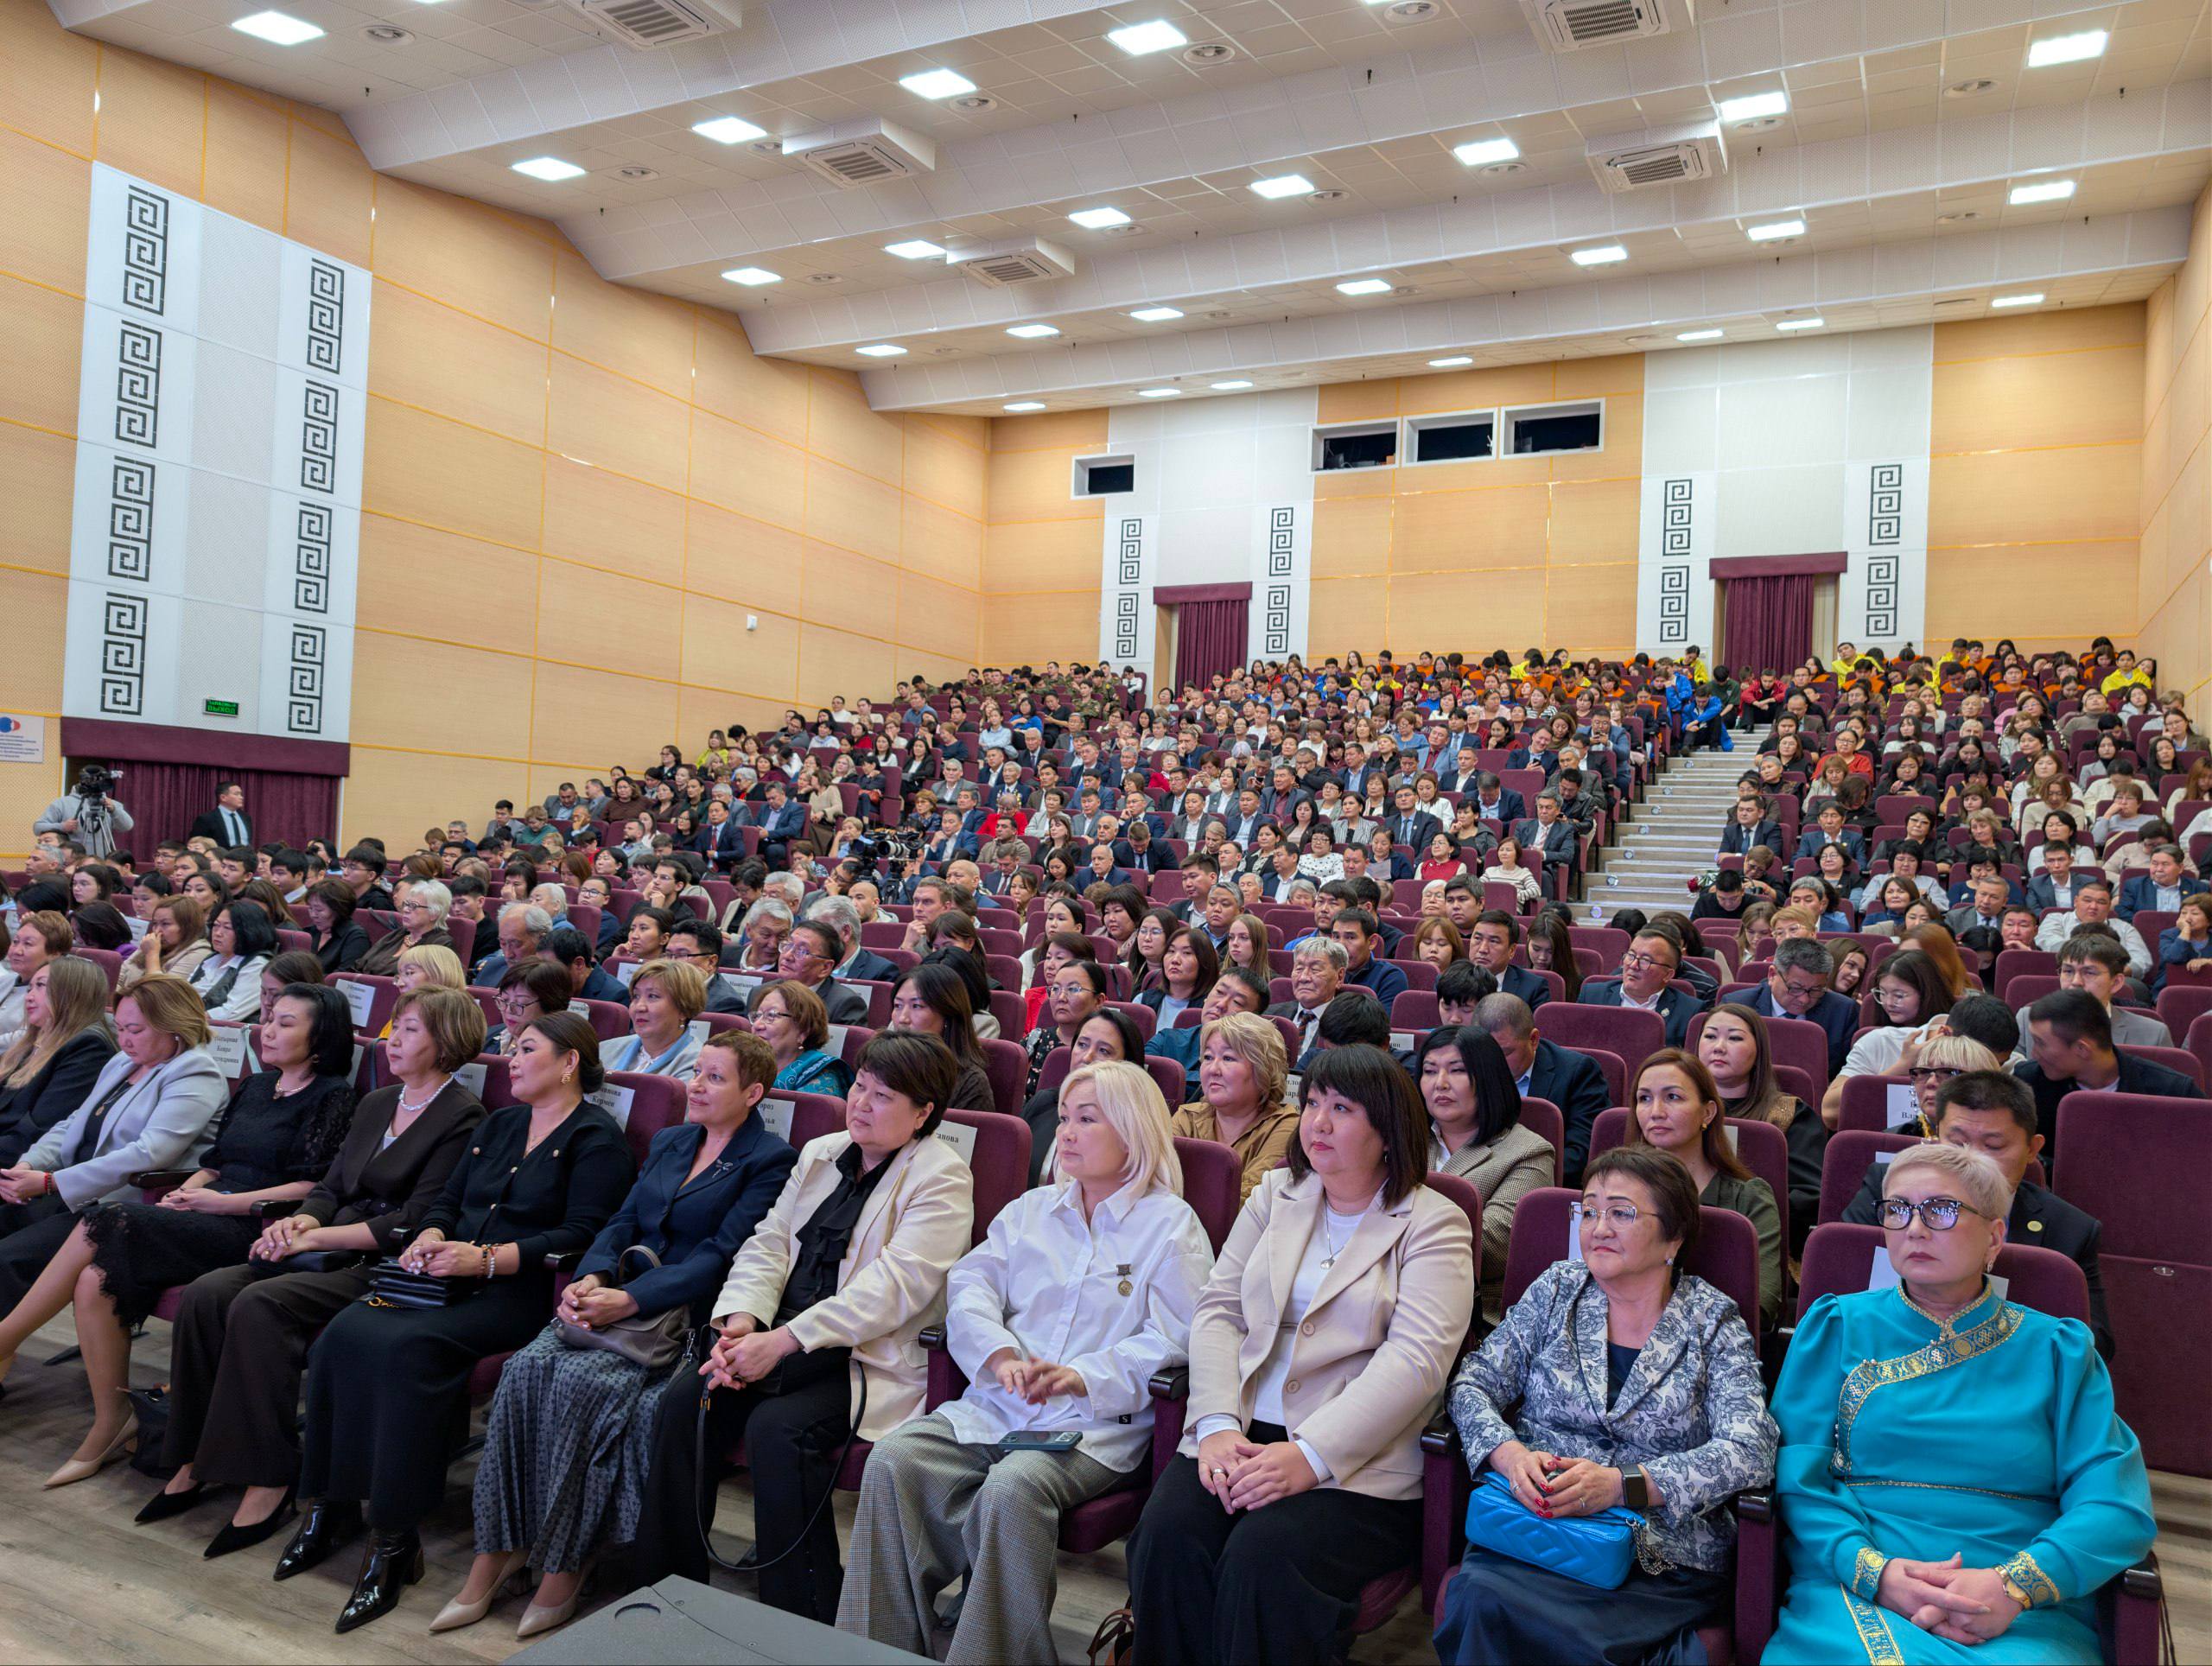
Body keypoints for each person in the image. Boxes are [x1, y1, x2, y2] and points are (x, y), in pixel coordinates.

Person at [841, 1060, 1215, 1664]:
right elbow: (969, 1287)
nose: (1065, 1132)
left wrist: (1082, 1375)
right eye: (1063, 1118)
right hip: (999, 1405)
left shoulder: (1171, 1228)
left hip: (1092, 1429)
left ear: (1134, 1130)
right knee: (895, 1458)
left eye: (1086, 1120)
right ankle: (877, 1650)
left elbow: (1177, 1340)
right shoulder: (1030, 1211)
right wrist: (998, 1352)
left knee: (1012, 1489)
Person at [283, 1012, 635, 1632]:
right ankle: (330, 1505)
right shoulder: (501, 1124)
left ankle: (395, 1542)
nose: (511, 1059)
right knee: (343, 1334)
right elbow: (447, 1199)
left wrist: (488, 1259)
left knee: (407, 1351)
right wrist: (432, 1235)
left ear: (569, 1062)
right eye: (510, 1048)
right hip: (442, 1276)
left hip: (516, 1293)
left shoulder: (595, 1137)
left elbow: (583, 1233)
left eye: (526, 1049)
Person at [1127, 1044, 1475, 1665]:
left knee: (1263, 1558)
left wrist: (1311, 1457)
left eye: (1341, 1108)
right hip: (1237, 1427)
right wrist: (1212, 1427)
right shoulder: (1275, 1196)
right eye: (1311, 1102)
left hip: (1354, 1459)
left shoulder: (1433, 1222)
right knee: (1166, 1537)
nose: (1317, 1122)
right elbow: (1218, 1311)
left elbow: (1417, 1363)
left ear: (1389, 1131)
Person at [444, 1031, 799, 1639]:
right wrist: (591, 1278)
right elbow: (622, 1219)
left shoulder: (769, 1159)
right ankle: (499, 1549)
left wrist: (630, 1298)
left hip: (679, 1318)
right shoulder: (671, 1140)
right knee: (525, 1371)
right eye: (699, 1074)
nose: (698, 1086)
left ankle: (566, 1561)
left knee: (584, 1387)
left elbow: (721, 1254)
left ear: (754, 1092)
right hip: (614, 1300)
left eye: (716, 1078)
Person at [1762, 1141, 2156, 1666]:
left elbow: (2116, 1504)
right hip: (1859, 1578)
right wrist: (1873, 1572)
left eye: (1941, 1210)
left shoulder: (2059, 1349)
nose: (1914, 1229)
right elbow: (1798, 1476)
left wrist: (2014, 1585)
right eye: (1897, 1210)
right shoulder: (1835, 1325)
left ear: (1995, 1237)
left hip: (2022, 1602)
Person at [631, 1031, 976, 1619]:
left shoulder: (941, 1176)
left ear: (923, 1113)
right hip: (772, 1338)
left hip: (859, 1357)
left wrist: (782, 1341)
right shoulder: (821, 1152)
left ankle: (804, 1613)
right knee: (688, 1401)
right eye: (860, 1087)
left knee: (778, 1429)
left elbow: (894, 1288)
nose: (861, 1103)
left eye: (883, 1096)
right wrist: (740, 1325)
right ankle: (668, 1587)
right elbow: (767, 1244)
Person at [142, 989, 487, 1551]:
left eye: (410, 1032)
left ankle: (271, 1477)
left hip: (384, 1262)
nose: (392, 1041)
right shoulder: (378, 1102)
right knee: (208, 1293)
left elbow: (414, 1217)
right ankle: (195, 1457)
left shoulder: (463, 1115)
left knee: (259, 1304)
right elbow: (328, 1187)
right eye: (394, 1030)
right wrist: (296, 1223)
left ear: (445, 1042)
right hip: (325, 1242)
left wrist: (312, 1232)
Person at [0, 984, 357, 1489]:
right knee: (93, 1280)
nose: (268, 1029)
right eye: (270, 1018)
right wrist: (186, 1192)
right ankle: (111, 1420)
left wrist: (218, 1202)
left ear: (320, 1037)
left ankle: (5, 1337)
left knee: (103, 1220)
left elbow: (311, 1184)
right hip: (204, 1211)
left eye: (284, 1023)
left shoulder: (333, 1095)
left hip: (255, 1224)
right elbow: (213, 1164)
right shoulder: (257, 1086)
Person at [1433, 1146, 1777, 1666]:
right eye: (1589, 1211)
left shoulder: (1711, 1319)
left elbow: (1751, 1448)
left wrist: (1622, 1485)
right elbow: (1474, 1383)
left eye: (1621, 1212)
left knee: (1565, 1636)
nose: (1598, 1228)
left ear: (1675, 1236)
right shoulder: (1557, 1290)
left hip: (1658, 1552)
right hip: (1537, 1527)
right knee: (1481, 1598)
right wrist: (1509, 1455)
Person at [1838, 1068, 2113, 1358]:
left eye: (1993, 1146)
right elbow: (1841, 1281)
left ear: (2033, 1149)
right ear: (1934, 1135)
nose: (1972, 1159)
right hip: (1876, 1353)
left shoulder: (2068, 1228)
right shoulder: (1889, 1191)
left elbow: (2095, 1345)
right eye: (1956, 1143)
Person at [0, 975, 229, 1316]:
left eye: (135, 1030)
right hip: (71, 1193)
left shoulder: (195, 1072)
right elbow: (73, 1122)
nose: (124, 1040)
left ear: (174, 1026)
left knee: (7, 1259)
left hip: (118, 1204)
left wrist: (52, 1182)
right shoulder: (124, 1062)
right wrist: (30, 1164)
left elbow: (150, 1153)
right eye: (120, 1028)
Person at [1624, 1051, 1782, 1328]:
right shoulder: (1616, 1192)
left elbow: (1762, 1302)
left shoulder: (1749, 1197)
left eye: (1673, 1097)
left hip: (1711, 1345)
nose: (1655, 1112)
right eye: (1644, 1098)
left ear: (1707, 1112)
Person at [1414, 1026, 1552, 1322]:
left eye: (1458, 1070)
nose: (1440, 1083)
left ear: (1488, 1078)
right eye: (1429, 1070)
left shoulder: (1528, 1151)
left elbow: (1490, 1250)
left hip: (1466, 1311)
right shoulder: (1402, 1138)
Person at [1697, 1002, 1826, 1259]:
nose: (1718, 1047)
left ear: (1759, 1051)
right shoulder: (1675, 1108)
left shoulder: (1790, 1114)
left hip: (1758, 1246)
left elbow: (1808, 1197)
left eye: (1734, 1038)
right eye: (1710, 1036)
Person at [2015, 989, 2202, 1151]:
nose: (2034, 1053)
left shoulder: (2173, 1092)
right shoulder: (2029, 1082)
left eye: (2040, 1043)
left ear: (2082, 1049)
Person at [1820, 951, 1960, 1124]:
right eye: (1882, 993)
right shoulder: (1877, 1040)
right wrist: (1902, 1066)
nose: (1888, 1002)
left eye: (1899, 996)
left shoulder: (1958, 1035)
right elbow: (1829, 1112)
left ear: (1927, 993)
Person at [0, 958, 116, 1168]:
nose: (29, 996)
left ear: (71, 993)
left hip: (20, 1166)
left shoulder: (89, 1048)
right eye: (30, 987)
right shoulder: (35, 1040)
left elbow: (37, 1130)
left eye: (41, 986)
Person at [1170, 1011, 1297, 1201]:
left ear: (1263, 1069)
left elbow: (1247, 1202)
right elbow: (1157, 1186)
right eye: (1208, 1057)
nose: (1213, 1069)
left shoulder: (1286, 1127)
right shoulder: (1187, 1117)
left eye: (1228, 1058)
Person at [1017, 1006, 1146, 1186]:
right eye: (1082, 1044)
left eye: (1104, 1051)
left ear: (1128, 1064)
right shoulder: (1045, 1103)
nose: (1087, 1057)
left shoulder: (1135, 1125)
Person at [889, 963, 996, 1113]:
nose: (903, 1018)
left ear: (948, 1014)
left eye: (917, 1006)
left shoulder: (970, 1082)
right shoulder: (881, 1063)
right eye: (898, 1006)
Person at [1745, 938, 1859, 1077]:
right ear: (1772, 975)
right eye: (1795, 988)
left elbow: (1843, 1075)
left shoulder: (1844, 1011)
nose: (1804, 1000)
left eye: (1816, 989)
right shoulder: (1739, 1006)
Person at [1579, 930, 1705, 1047]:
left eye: (1645, 961)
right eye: (1631, 955)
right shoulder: (1592, 995)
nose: (1633, 965)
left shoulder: (1689, 1011)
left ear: (1668, 975)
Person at [602, 957, 709, 1080]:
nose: (639, 1007)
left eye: (652, 996)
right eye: (636, 996)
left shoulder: (698, 1066)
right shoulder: (605, 1050)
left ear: (683, 1009)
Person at [750, 979, 855, 1097]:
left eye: (771, 1015)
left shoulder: (821, 1078)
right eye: (757, 1015)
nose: (757, 1025)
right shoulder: (744, 1065)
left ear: (803, 1031)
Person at [119, 894, 212, 995]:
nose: (157, 931)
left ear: (187, 926)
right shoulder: (152, 943)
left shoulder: (199, 952)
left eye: (165, 924)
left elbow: (161, 994)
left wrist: (152, 955)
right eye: (155, 923)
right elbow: (118, 977)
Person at [484, 957, 573, 1056]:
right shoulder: (487, 1036)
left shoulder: (560, 1054)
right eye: (504, 1000)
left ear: (551, 1005)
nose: (509, 1010)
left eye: (520, 1003)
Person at [1141, 923, 1220, 1031]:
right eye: (1171, 951)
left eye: (1187, 953)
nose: (1175, 960)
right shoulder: (1142, 1001)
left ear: (1204, 962)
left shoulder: (1212, 1010)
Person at [302, 880, 370, 974]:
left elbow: (344, 978)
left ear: (338, 910)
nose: (313, 915)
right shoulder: (308, 932)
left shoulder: (356, 937)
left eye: (319, 910)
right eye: (310, 908)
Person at [188, 783, 255, 849]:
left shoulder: (246, 817)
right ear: (223, 797)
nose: (241, 797)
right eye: (236, 794)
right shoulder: (206, 819)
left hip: (245, 858)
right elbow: (195, 843)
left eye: (241, 794)